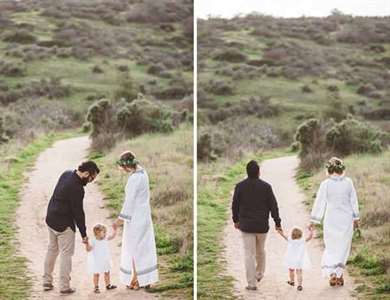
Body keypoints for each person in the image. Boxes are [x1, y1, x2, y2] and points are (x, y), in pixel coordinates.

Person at [43, 161, 100, 294]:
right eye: (92, 178)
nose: (91, 181)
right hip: (64, 225)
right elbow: (78, 213)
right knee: (66, 254)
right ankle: (64, 286)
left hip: (51, 218)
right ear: (86, 173)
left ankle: (46, 281)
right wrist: (84, 234)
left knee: (52, 249)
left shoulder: (66, 173)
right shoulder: (77, 189)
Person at [309, 157, 360, 287]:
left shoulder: (325, 184)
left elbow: (320, 202)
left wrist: (314, 220)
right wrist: (355, 218)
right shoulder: (348, 182)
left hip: (331, 219)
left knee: (331, 247)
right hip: (346, 219)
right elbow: (353, 201)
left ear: (329, 169)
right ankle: (339, 275)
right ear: (341, 168)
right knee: (343, 247)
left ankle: (333, 275)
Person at [232, 160, 282, 290]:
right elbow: (273, 206)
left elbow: (235, 205)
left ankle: (251, 284)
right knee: (260, 250)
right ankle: (259, 273)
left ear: (247, 172)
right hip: (261, 227)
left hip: (246, 227)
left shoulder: (240, 186)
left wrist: (235, 220)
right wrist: (277, 222)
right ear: (259, 172)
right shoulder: (266, 187)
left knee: (249, 254)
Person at [112, 151, 158, 290]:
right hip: (144, 215)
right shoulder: (143, 173)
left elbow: (129, 202)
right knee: (144, 248)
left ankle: (136, 279)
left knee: (133, 248)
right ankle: (144, 279)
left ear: (126, 166)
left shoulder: (133, 179)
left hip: (135, 217)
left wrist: (119, 219)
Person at [277, 226, 313, 291]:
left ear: (292, 235)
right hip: (299, 260)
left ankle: (292, 281)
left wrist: (280, 232)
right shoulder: (302, 240)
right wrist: (311, 231)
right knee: (299, 272)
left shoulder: (290, 240)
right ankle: (299, 285)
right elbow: (310, 237)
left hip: (291, 259)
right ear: (301, 235)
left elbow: (283, 236)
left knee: (291, 270)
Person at [85, 223, 117, 294]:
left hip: (105, 259)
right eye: (103, 232)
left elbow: (112, 236)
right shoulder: (93, 241)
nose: (105, 233)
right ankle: (96, 287)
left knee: (107, 272)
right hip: (97, 261)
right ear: (97, 233)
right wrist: (87, 243)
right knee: (96, 274)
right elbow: (88, 249)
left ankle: (108, 285)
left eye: (105, 232)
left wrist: (115, 230)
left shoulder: (105, 238)